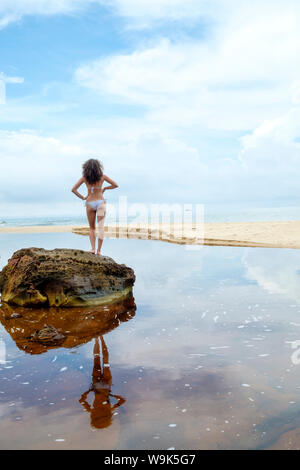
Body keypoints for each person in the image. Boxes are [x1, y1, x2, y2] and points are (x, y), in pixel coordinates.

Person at [72, 158, 118, 255]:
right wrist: (105, 188)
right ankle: (99, 250)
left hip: (90, 203)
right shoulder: (102, 177)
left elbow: (74, 189)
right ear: (98, 167)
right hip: (101, 202)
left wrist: (83, 197)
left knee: (92, 228)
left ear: (86, 168)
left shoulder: (84, 178)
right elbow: (115, 185)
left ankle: (93, 249)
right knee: (101, 227)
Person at [79, 336, 125, 429]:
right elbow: (82, 400)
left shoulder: (106, 410)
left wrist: (112, 397)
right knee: (98, 360)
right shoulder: (94, 411)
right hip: (99, 385)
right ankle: (98, 339)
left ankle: (100, 339)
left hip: (104, 385)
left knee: (103, 361)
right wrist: (90, 391)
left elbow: (122, 400)